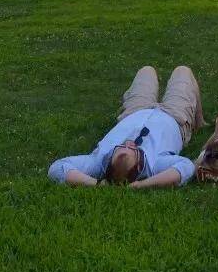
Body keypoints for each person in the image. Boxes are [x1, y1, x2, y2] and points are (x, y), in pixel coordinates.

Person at [48, 65, 205, 188]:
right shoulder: (156, 164)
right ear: (139, 167)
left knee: (147, 70)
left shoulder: (97, 161)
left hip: (135, 110)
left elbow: (57, 168)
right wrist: (142, 185)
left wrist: (95, 184)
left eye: (121, 147)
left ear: (110, 159)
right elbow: (186, 167)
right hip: (174, 116)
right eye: (134, 150)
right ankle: (199, 122)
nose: (129, 144)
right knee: (183, 71)